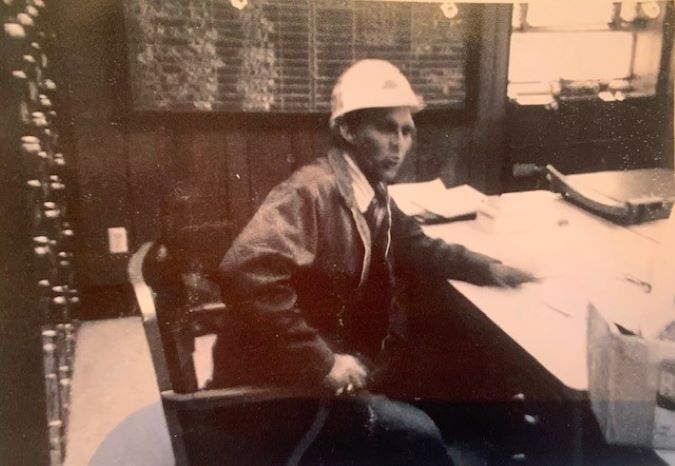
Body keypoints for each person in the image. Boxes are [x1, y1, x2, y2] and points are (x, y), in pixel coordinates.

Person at [212, 59, 534, 465]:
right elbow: (244, 272)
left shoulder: (371, 189)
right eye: (386, 128)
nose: (399, 143)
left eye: (407, 131)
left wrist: (490, 267)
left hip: (333, 356)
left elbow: (417, 244)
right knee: (420, 433)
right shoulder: (313, 192)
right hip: (283, 387)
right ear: (347, 130)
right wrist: (323, 360)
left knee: (467, 370)